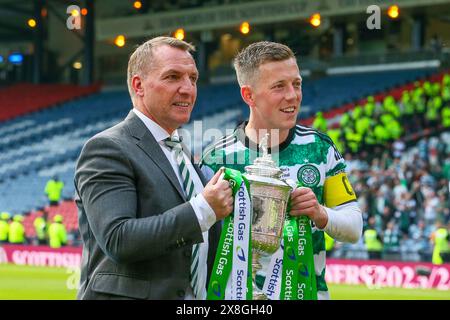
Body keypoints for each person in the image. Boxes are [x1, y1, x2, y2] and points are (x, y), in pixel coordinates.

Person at [200, 41, 362, 300]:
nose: (292, 95)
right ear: (248, 95)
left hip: (306, 293)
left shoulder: (320, 148)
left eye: (296, 84)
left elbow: (354, 228)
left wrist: (320, 214)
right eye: (279, 86)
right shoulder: (216, 159)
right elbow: (202, 241)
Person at [74, 36, 233, 300]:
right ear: (139, 85)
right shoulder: (107, 148)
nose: (187, 88)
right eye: (172, 77)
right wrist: (204, 209)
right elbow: (119, 239)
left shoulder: (182, 154)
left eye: (192, 79)